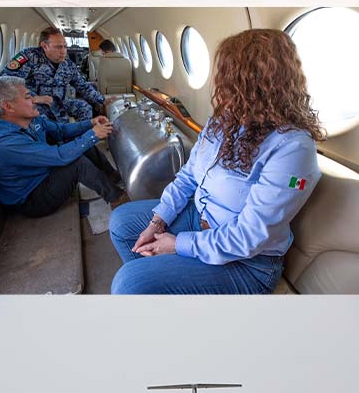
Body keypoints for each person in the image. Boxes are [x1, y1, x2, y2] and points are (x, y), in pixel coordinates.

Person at [108, 29, 324, 295]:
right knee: (121, 222)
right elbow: (189, 176)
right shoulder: (224, 121)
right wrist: (158, 222)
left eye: (226, 77)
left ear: (253, 84)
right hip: (200, 217)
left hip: (247, 261)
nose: (218, 85)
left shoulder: (292, 148)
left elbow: (249, 236)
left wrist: (178, 245)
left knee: (129, 283)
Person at [0, 76, 122, 218]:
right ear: (8, 107)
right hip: (32, 199)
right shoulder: (2, 143)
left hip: (44, 173)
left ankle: (112, 176)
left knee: (79, 142)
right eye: (27, 97)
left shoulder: (30, 118)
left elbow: (61, 131)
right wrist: (93, 135)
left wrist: (90, 123)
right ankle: (117, 198)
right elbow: (59, 157)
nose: (34, 101)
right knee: (76, 162)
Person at [0, 26, 104, 121]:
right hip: (35, 104)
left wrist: (102, 100)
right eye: (58, 47)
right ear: (44, 46)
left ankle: (82, 139)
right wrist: (32, 97)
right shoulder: (30, 57)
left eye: (65, 46)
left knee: (85, 108)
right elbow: (5, 79)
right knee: (46, 122)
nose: (63, 51)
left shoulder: (68, 64)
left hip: (59, 103)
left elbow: (82, 86)